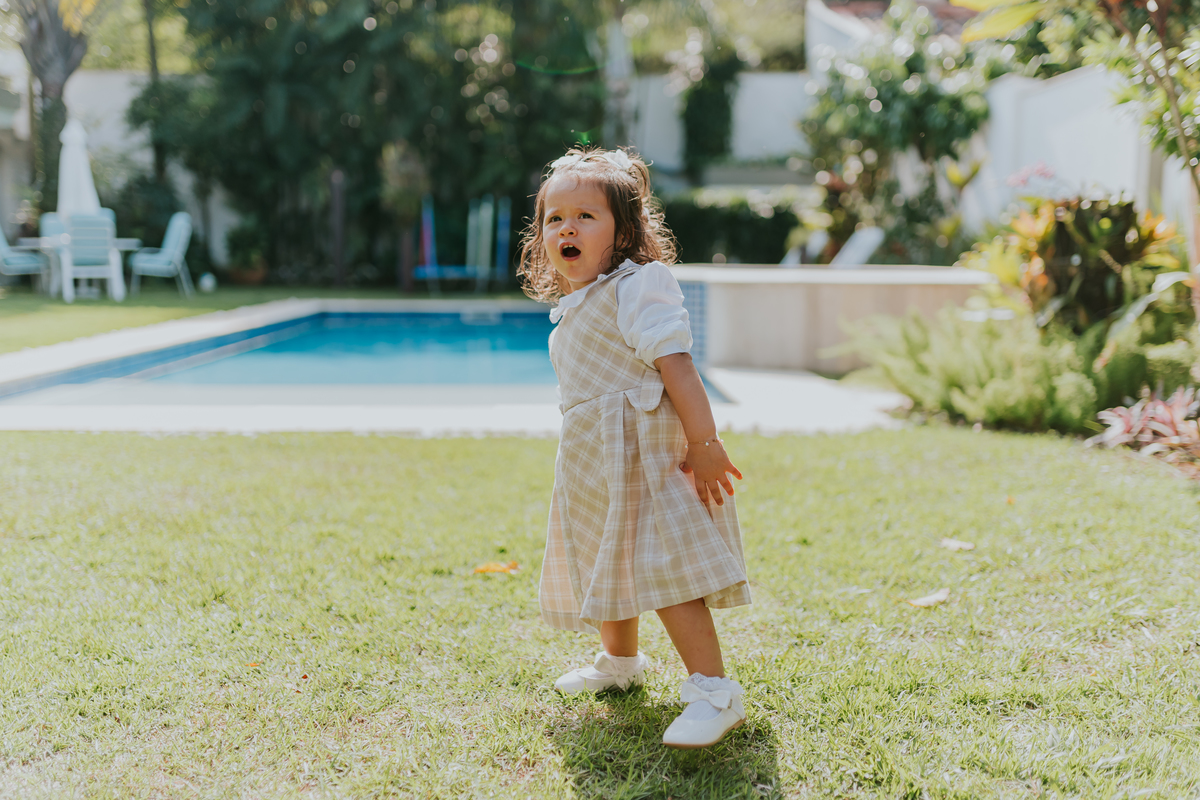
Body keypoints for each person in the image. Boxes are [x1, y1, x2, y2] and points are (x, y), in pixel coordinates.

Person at [518, 147, 751, 749]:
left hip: (645, 461)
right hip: (595, 466)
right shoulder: (574, 309)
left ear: (623, 232)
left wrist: (704, 441)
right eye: (554, 218)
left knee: (664, 568)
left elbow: (678, 366)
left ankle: (714, 691)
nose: (567, 229)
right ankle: (620, 663)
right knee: (607, 560)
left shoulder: (637, 286)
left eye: (585, 216)